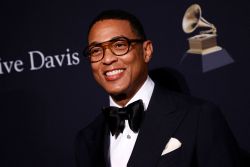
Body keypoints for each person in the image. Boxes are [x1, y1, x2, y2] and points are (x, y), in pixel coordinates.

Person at [75, 9, 239, 167]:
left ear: (147, 51)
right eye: (96, 50)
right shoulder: (87, 139)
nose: (108, 59)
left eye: (119, 45)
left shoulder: (199, 117)